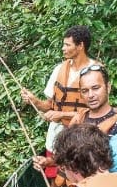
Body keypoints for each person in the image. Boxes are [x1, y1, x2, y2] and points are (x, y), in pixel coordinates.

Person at [20, 26, 98, 157]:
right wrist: (34, 101)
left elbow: (98, 113)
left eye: (67, 45)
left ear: (80, 46)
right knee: (51, 169)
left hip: (83, 141)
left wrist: (61, 115)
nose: (63, 48)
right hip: (55, 139)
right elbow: (49, 106)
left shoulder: (95, 72)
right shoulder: (59, 69)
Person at [67, 64, 117, 135]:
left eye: (95, 88)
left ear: (108, 87)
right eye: (85, 91)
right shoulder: (78, 119)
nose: (90, 95)